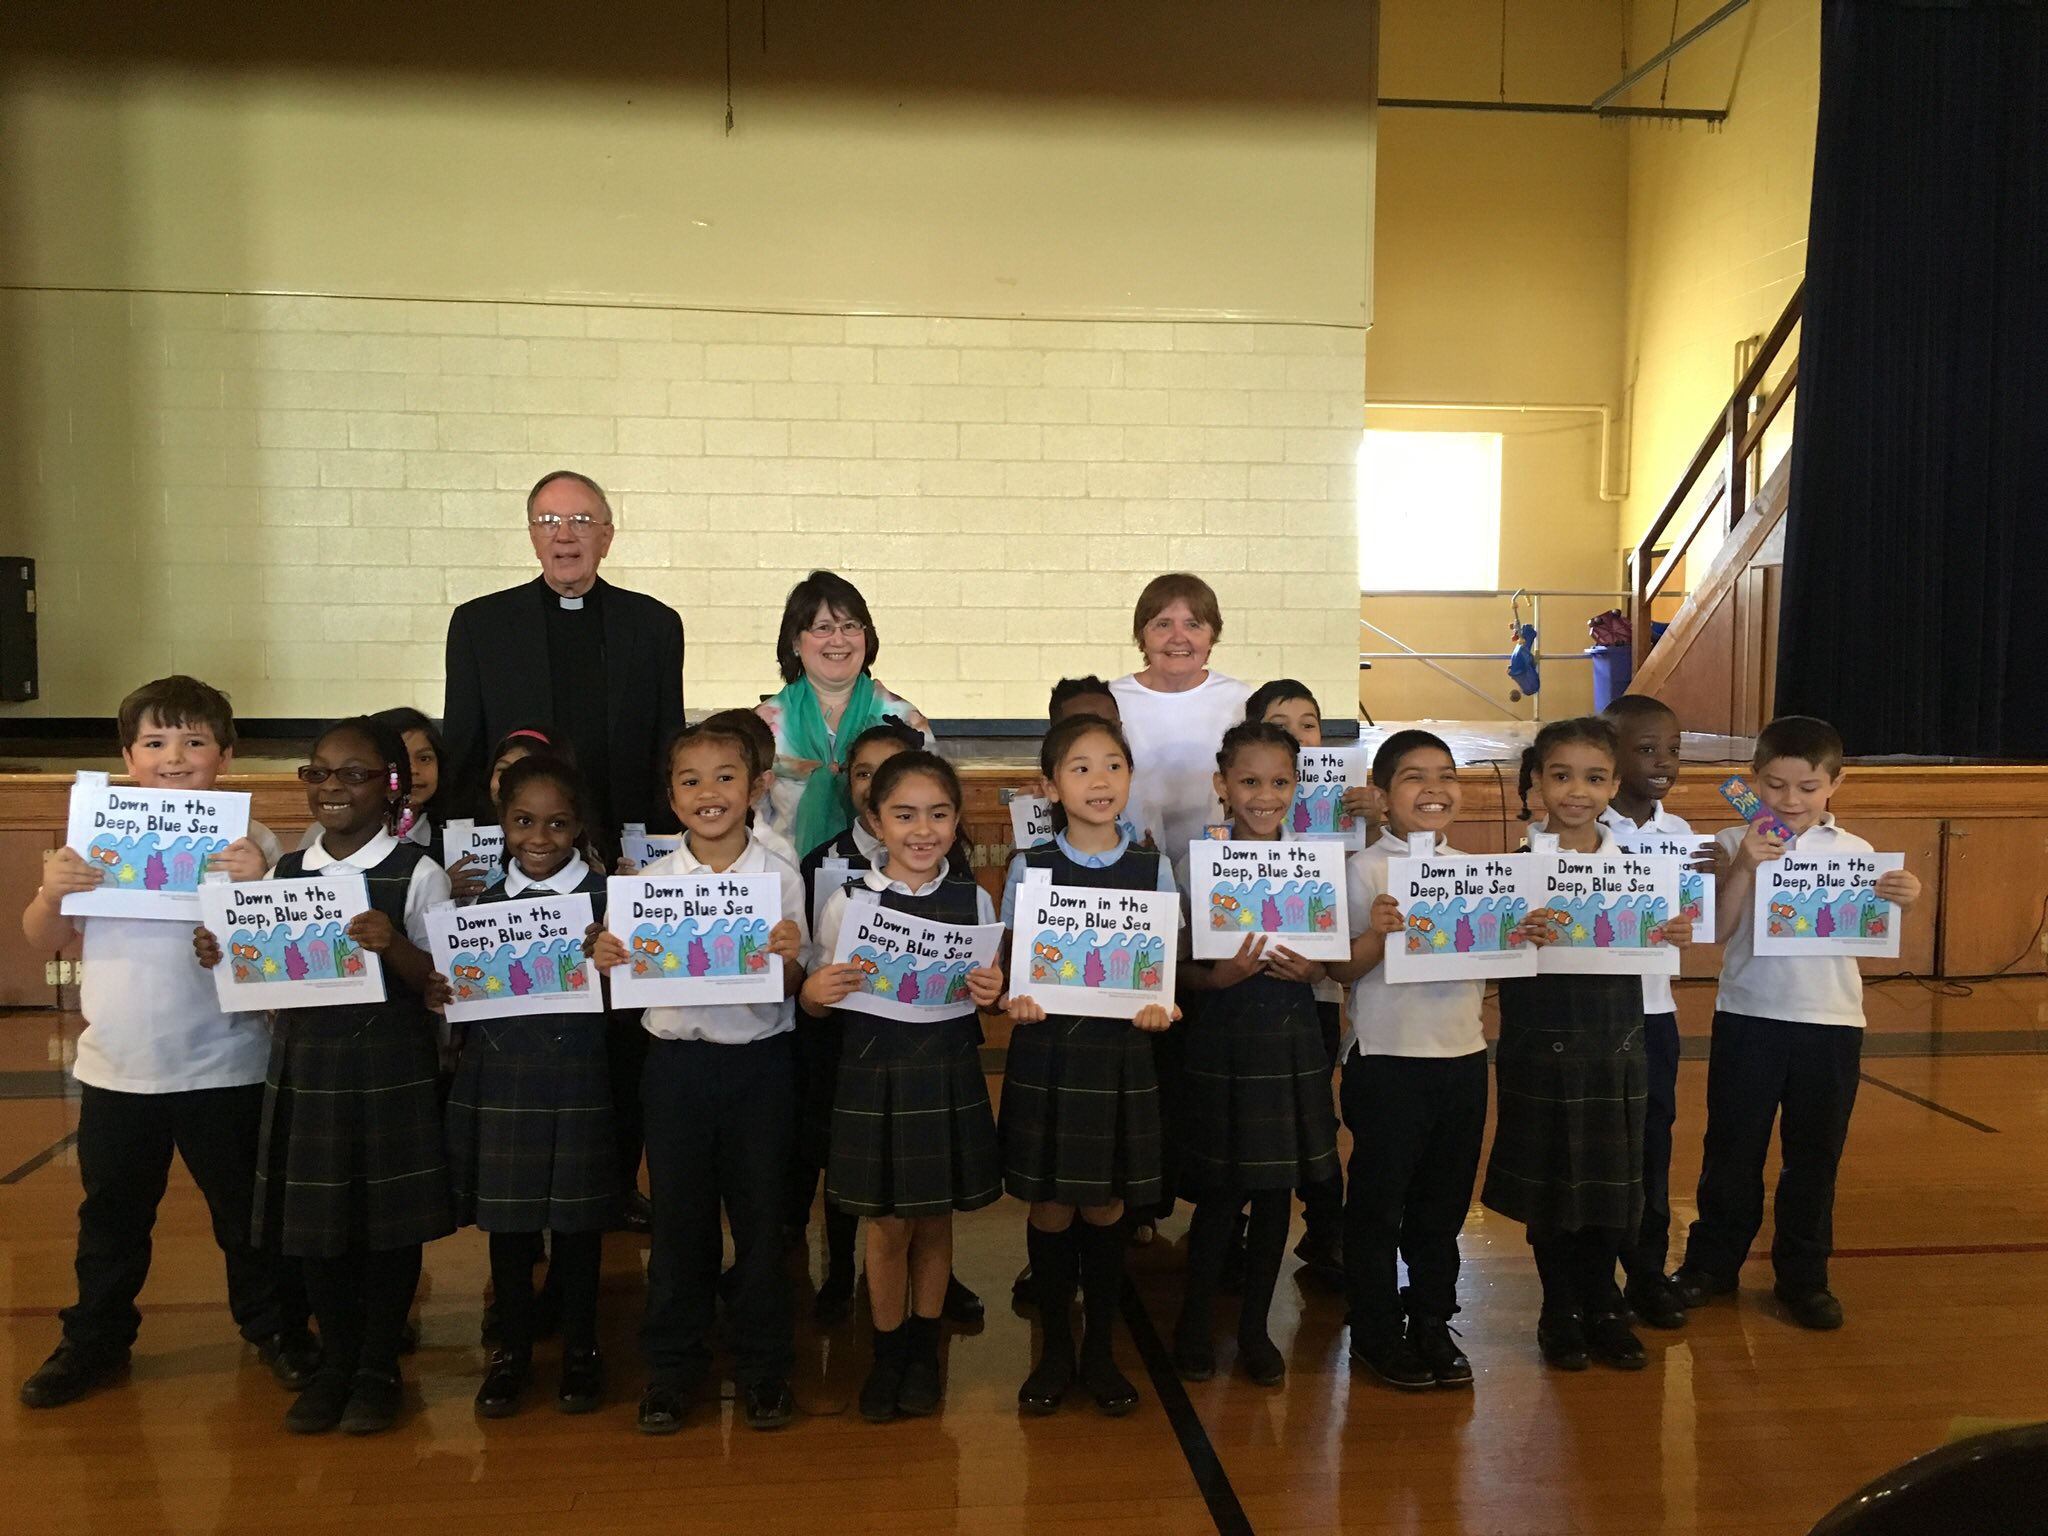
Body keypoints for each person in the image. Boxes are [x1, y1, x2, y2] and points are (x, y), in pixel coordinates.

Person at [18, 676, 316, 1410]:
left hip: (228, 1063)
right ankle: (95, 1338)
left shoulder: (253, 842)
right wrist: (52, 892)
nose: (174, 757)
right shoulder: (91, 837)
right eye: (154, 742)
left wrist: (259, 884)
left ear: (226, 756)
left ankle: (276, 1328)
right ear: (127, 758)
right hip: (118, 1069)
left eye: (193, 741)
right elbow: (44, 938)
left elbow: (278, 953)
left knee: (247, 1215)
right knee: (111, 1218)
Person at [197, 715, 455, 1434]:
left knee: (386, 1227)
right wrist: (227, 953)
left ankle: (377, 1367)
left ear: (391, 786)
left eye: (354, 774)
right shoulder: (286, 872)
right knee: (316, 1226)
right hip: (307, 1065)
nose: (332, 787)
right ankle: (336, 1363)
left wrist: (393, 944)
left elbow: (445, 983)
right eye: (317, 772)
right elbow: (269, 977)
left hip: (389, 1066)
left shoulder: (418, 872)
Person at [589, 719, 808, 1434]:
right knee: (679, 1223)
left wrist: (789, 957)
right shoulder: (648, 886)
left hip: (759, 1067)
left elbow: (794, 983)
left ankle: (764, 1367)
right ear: (672, 796)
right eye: (691, 780)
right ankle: (673, 1366)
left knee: (761, 1221)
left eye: (725, 777)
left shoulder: (779, 876)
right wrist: (609, 960)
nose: (708, 792)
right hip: (676, 1069)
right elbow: (626, 985)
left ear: (754, 789)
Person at [1675, 716, 1921, 1331]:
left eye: (1808, 787)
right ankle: (1711, 1266)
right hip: (1749, 1016)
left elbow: (1869, 928)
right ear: (1754, 780)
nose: (1790, 800)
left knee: (1814, 1156)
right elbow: (1717, 930)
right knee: (1732, 1149)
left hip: (1832, 1022)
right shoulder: (1732, 840)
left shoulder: (1856, 852)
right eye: (1775, 785)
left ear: (1835, 783)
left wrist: (1903, 895)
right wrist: (1744, 865)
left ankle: (1804, 1277)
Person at [1480, 717, 1693, 1373]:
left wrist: (1674, 932)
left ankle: (1603, 1303)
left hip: (1615, 1043)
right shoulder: (1512, 871)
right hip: (1538, 1046)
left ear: (1613, 783)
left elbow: (1661, 943)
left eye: (1594, 778)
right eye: (1561, 776)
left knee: (1611, 1185)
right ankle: (1559, 1308)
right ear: (1537, 783)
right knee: (1552, 1187)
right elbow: (1480, 960)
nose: (1577, 791)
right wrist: (1509, 933)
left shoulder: (1642, 872)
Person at [802, 751, 1004, 1422]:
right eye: (905, 815)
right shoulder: (847, 903)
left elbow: (987, 994)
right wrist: (816, 991)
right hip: (874, 1075)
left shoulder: (974, 899)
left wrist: (993, 991)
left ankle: (924, 1349)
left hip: (945, 1071)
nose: (923, 830)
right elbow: (816, 1002)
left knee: (934, 1219)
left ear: (957, 820)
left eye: (939, 814)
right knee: (887, 1227)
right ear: (875, 821)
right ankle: (886, 1354)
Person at [998, 714, 1180, 1418]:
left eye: (1113, 765)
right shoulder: (1030, 866)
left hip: (1120, 1055)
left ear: (1130, 777)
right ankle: (1054, 1349)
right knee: (1050, 1203)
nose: (1099, 780)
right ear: (1051, 787)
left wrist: (1160, 1006)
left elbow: (1161, 969)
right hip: (1048, 1050)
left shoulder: (1153, 866)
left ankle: (1100, 1349)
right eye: (1080, 768)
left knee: (1106, 1204)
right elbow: (1015, 965)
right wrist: (1015, 997)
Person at [438, 753, 617, 1419]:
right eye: (523, 822)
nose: (539, 838)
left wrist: (614, 962)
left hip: (582, 1075)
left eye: (557, 824)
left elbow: (635, 999)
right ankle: (511, 1349)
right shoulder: (479, 907)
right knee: (509, 1225)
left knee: (579, 1223)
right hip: (503, 1074)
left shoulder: (608, 903)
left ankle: (581, 1348)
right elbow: (458, 1001)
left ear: (579, 826)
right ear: (502, 822)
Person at [1171, 722, 1340, 1387]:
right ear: (1222, 785)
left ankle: (1254, 1330)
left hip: (1291, 1036)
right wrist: (1217, 979)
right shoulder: (1197, 862)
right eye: (1249, 781)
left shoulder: (1317, 862)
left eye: (1279, 782)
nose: (1264, 796)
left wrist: (1315, 970)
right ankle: (1193, 1323)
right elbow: (1175, 966)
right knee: (1221, 1193)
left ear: (1296, 787)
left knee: (1275, 1195)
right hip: (1224, 1035)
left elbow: (1332, 961)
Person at [1328, 729, 1489, 1390]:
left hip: (1464, 1057)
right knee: (1377, 1205)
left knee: (1442, 1207)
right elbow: (1342, 968)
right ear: (1384, 796)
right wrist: (1377, 932)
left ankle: (1431, 1321)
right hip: (1387, 1059)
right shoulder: (1363, 869)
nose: (1434, 788)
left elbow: (1496, 960)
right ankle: (1374, 1329)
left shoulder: (1477, 871)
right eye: (1414, 777)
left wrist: (1522, 934)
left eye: (1446, 775)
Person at [441, 469, 686, 854]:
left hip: (624, 842)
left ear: (607, 538)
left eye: (582, 521)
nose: (565, 535)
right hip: (517, 847)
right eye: (548, 521)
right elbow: (463, 754)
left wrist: (663, 846)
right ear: (533, 537)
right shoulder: (480, 626)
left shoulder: (654, 625)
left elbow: (667, 747)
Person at [792, 719, 924, 1321]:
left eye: (889, 771)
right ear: (848, 783)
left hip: (916, 1034)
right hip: (842, 1036)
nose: (875, 785)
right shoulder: (822, 860)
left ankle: (926, 1276)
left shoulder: (944, 857)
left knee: (916, 1162)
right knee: (844, 1154)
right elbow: (810, 955)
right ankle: (841, 1270)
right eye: (864, 773)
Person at [1242, 677, 1363, 1283]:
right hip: (1242, 993)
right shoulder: (1238, 816)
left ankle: (1326, 1231)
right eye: (1279, 724)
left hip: (1313, 991)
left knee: (1315, 1111)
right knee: (1248, 1113)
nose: (1297, 734)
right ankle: (1237, 1226)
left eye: (1308, 724)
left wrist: (1376, 818)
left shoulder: (1348, 813)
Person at [1599, 694, 1712, 1329]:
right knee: (1599, 1149)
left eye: (1673, 749)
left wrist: (1690, 920)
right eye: (1646, 749)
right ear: (1610, 754)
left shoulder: (1682, 837)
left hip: (1655, 1012)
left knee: (1652, 1143)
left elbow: (1691, 919)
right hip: (1594, 1017)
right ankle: (1595, 1284)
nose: (1664, 762)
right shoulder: (1578, 830)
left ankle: (1646, 1272)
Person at [757, 570, 932, 856]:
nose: (838, 640)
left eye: (850, 626)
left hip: (888, 872)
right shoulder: (764, 725)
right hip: (784, 874)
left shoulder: (904, 720)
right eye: (823, 628)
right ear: (795, 643)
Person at [1109, 573, 1253, 859]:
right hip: (1129, 857)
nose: (1178, 638)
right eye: (1163, 624)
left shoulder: (1241, 699)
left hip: (1221, 860)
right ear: (1142, 635)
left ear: (1212, 636)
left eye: (1193, 624)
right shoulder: (1111, 699)